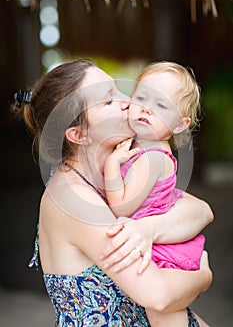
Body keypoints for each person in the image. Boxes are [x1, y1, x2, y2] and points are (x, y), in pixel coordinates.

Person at [12, 59, 213, 326]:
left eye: (118, 89)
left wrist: (152, 228)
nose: (128, 102)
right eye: (108, 100)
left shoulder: (117, 173)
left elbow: (200, 209)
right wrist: (203, 273)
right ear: (79, 135)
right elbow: (159, 296)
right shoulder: (74, 199)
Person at [104, 61, 209, 326]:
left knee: (164, 319)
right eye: (141, 98)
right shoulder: (140, 147)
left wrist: (111, 166)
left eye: (161, 105)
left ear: (179, 124)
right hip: (154, 245)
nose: (147, 108)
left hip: (163, 255)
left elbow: (122, 208)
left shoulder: (152, 159)